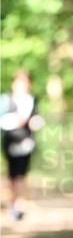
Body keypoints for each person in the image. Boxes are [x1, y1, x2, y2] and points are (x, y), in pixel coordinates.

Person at [1, 69, 44, 220]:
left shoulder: (32, 100)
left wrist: (35, 122)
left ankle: (19, 206)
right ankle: (13, 203)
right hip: (9, 141)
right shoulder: (6, 99)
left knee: (21, 173)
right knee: (12, 174)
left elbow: (36, 119)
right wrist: (13, 121)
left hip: (26, 142)